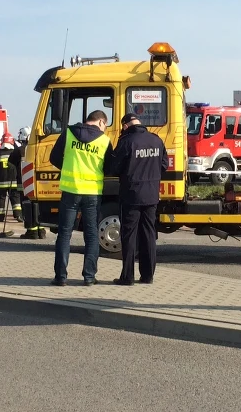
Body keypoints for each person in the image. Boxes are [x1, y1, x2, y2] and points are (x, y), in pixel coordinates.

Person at [50, 109, 111, 286]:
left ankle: (61, 277)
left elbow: (53, 157)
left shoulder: (68, 133)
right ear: (100, 122)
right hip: (93, 192)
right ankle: (89, 277)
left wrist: (69, 168)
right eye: (105, 126)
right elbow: (110, 167)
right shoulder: (104, 141)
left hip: (70, 190)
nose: (104, 130)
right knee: (92, 235)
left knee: (64, 233)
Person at [108, 113, 167, 285]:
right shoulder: (156, 140)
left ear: (126, 126)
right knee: (148, 234)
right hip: (151, 194)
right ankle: (148, 276)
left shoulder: (127, 141)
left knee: (129, 235)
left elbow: (114, 167)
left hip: (131, 194)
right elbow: (164, 165)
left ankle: (127, 277)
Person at [0, 132, 22, 222]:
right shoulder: (15, 153)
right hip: (13, 181)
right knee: (16, 199)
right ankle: (18, 216)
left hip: (0, 182)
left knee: (0, 199)